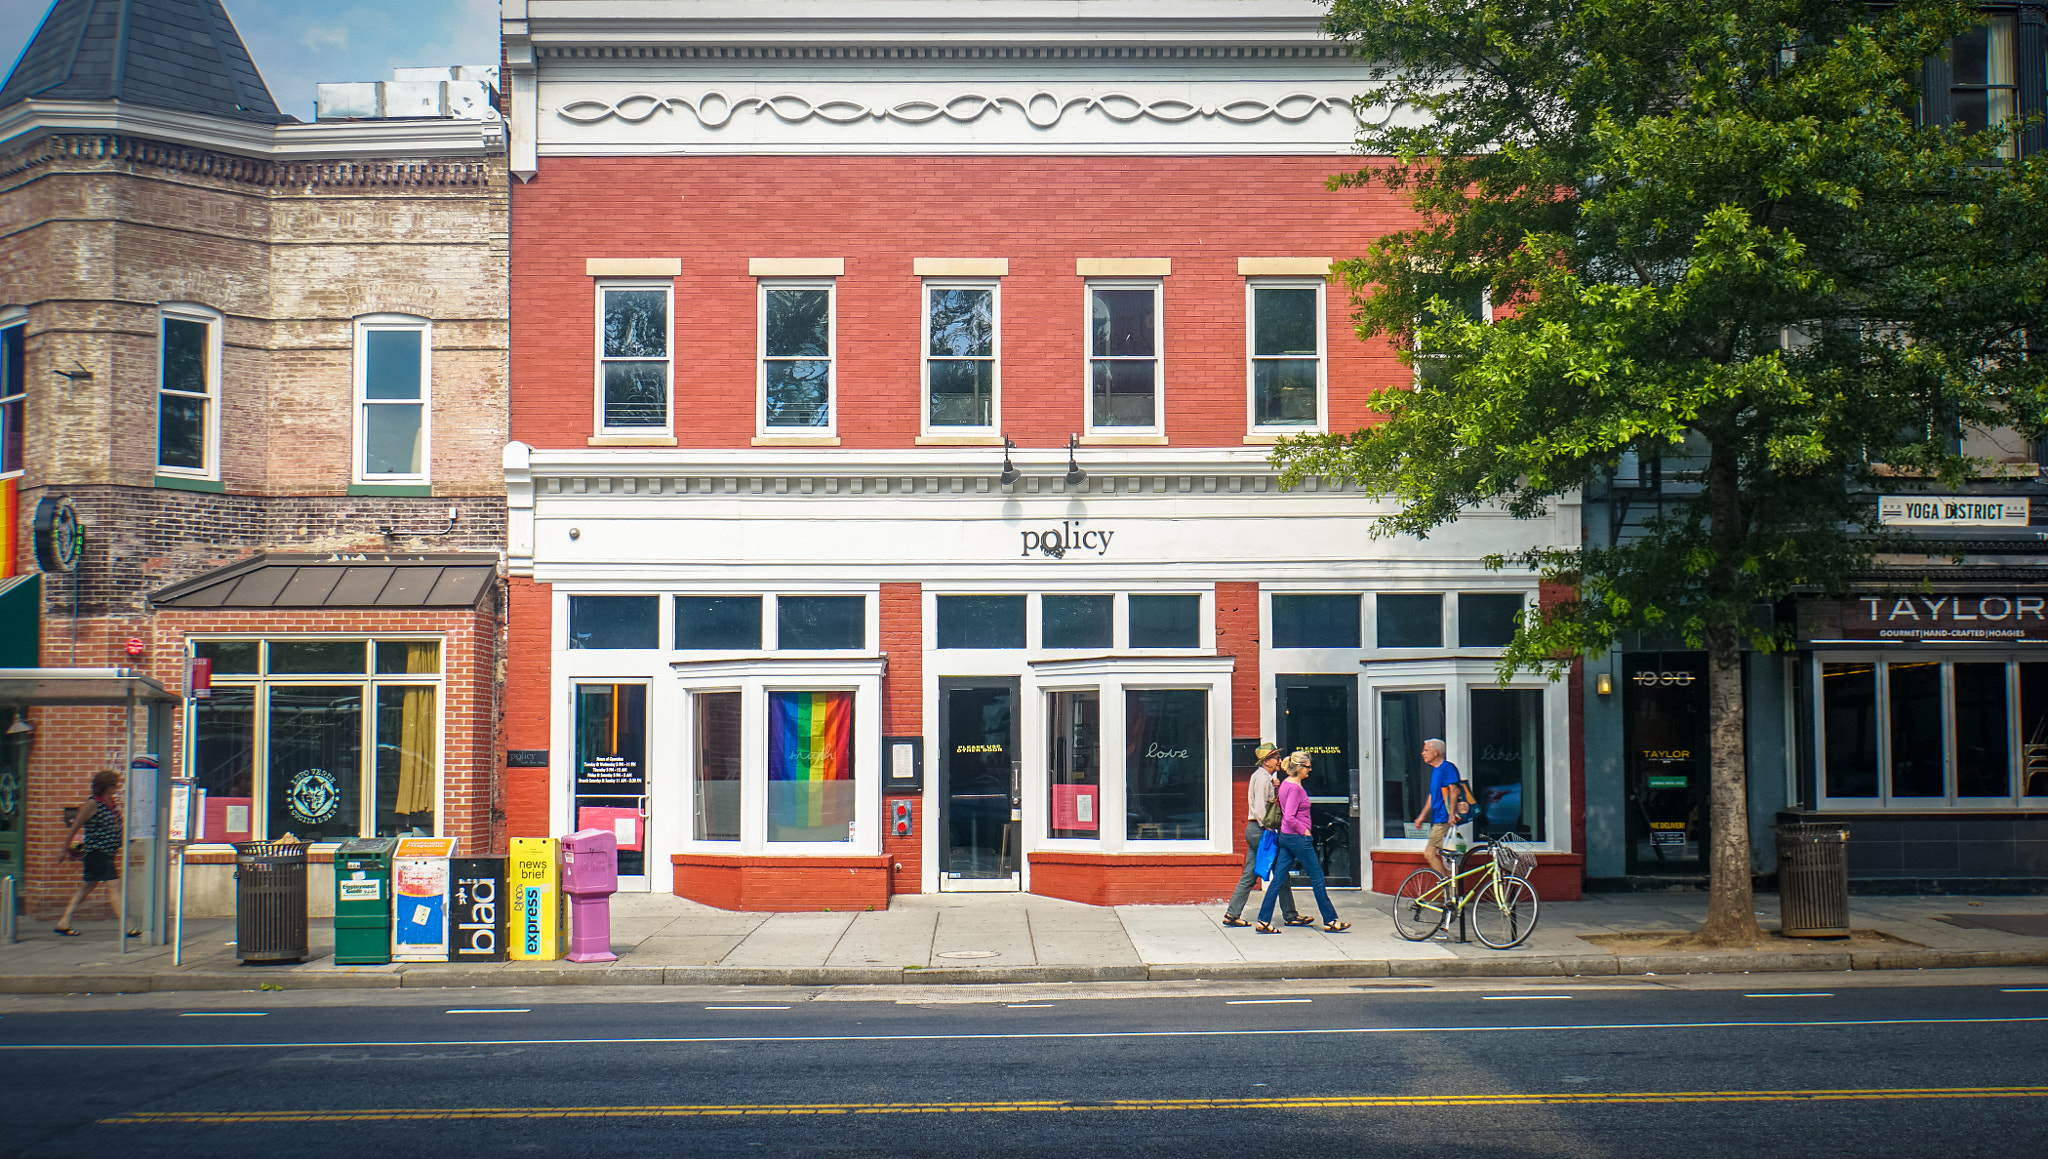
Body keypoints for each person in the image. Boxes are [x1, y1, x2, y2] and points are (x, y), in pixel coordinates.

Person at [1255, 750, 1348, 933]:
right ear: (1298, 767)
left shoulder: (1285, 785)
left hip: (1286, 838)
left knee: (1278, 879)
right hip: (1298, 839)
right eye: (1307, 767)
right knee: (1317, 877)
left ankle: (1263, 921)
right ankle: (1330, 921)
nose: (1310, 770)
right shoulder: (1296, 788)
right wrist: (1304, 831)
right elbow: (1289, 816)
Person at [1221, 743, 1306, 928]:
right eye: (1275, 757)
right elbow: (1260, 808)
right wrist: (1268, 828)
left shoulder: (1264, 777)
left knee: (1250, 874)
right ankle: (1290, 915)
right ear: (1266, 761)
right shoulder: (1261, 778)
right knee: (1281, 871)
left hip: (1256, 830)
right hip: (1261, 831)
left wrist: (1274, 786)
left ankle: (1232, 914)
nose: (1278, 761)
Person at [55, 769, 133, 937]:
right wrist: (64, 848)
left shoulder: (110, 803)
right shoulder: (92, 804)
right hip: (98, 853)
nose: (116, 788)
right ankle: (127, 926)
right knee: (114, 887)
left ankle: (64, 921)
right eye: (114, 785)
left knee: (87, 887)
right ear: (106, 786)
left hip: (106, 853)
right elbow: (75, 826)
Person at [1412, 738, 1470, 877]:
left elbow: (1454, 790)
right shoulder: (1436, 770)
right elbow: (1433, 796)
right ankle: (1451, 887)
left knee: (1429, 853)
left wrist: (1451, 815)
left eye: (1426, 750)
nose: (1422, 753)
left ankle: (1447, 887)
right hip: (1439, 817)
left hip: (1444, 819)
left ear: (1436, 752)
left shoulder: (1447, 768)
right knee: (1447, 857)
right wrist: (1422, 816)